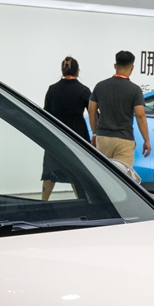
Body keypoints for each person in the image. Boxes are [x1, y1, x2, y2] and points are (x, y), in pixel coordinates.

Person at [41, 56, 91, 201]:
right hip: (78, 137)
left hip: (55, 137)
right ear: (78, 70)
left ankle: (43, 202)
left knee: (50, 173)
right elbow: (93, 113)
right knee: (77, 174)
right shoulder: (84, 91)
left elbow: (46, 114)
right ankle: (83, 202)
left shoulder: (52, 89)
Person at [89, 50, 151, 166]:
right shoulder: (135, 90)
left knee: (102, 175)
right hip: (124, 139)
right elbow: (140, 115)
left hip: (103, 138)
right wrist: (146, 140)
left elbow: (91, 110)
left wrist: (94, 134)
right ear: (132, 67)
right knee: (122, 179)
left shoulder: (100, 86)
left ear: (115, 65)